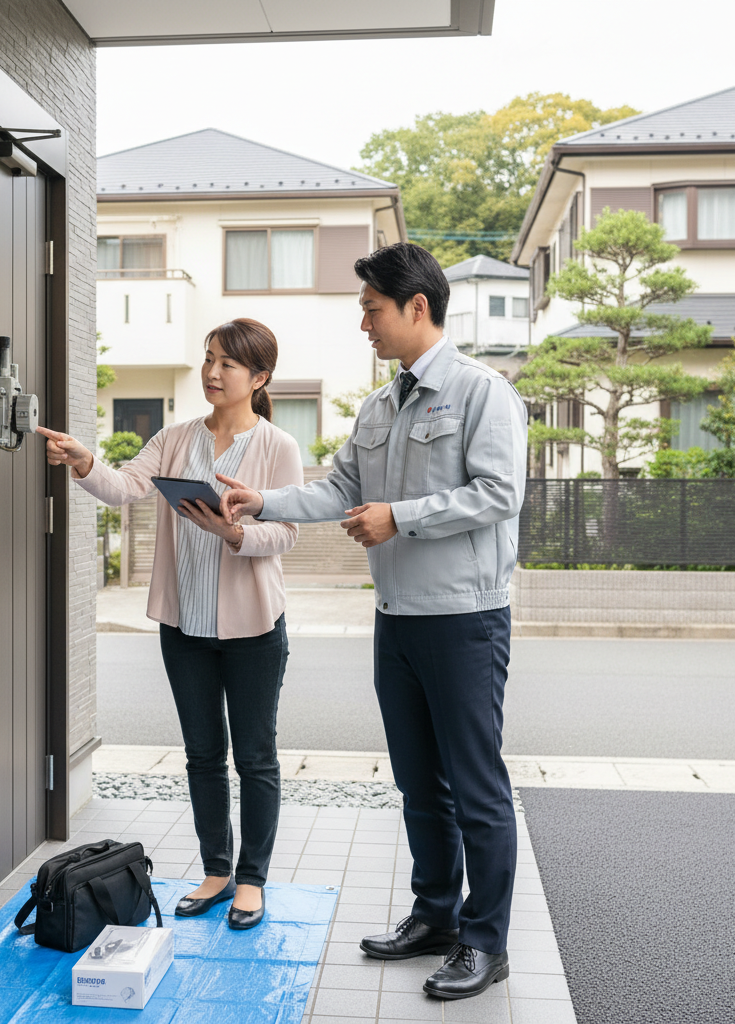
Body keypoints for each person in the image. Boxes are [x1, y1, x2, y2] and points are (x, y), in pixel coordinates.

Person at [219, 244, 527, 998]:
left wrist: (403, 517)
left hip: (465, 620)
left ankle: (487, 943)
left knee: (476, 787)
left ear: (416, 307)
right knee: (420, 785)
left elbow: (500, 493)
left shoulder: (482, 392)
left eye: (372, 309)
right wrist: (266, 502)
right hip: (398, 620)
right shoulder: (381, 405)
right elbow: (341, 490)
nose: (364, 323)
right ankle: (437, 917)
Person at [37, 318, 303, 931]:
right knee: (203, 753)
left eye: (227, 364)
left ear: (258, 377)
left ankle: (253, 878)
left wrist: (231, 532)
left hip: (255, 628)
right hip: (184, 625)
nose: (212, 372)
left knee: (255, 756)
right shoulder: (177, 437)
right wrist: (83, 460)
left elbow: (286, 530)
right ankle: (216, 870)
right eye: (208, 359)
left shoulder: (277, 446)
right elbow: (128, 486)